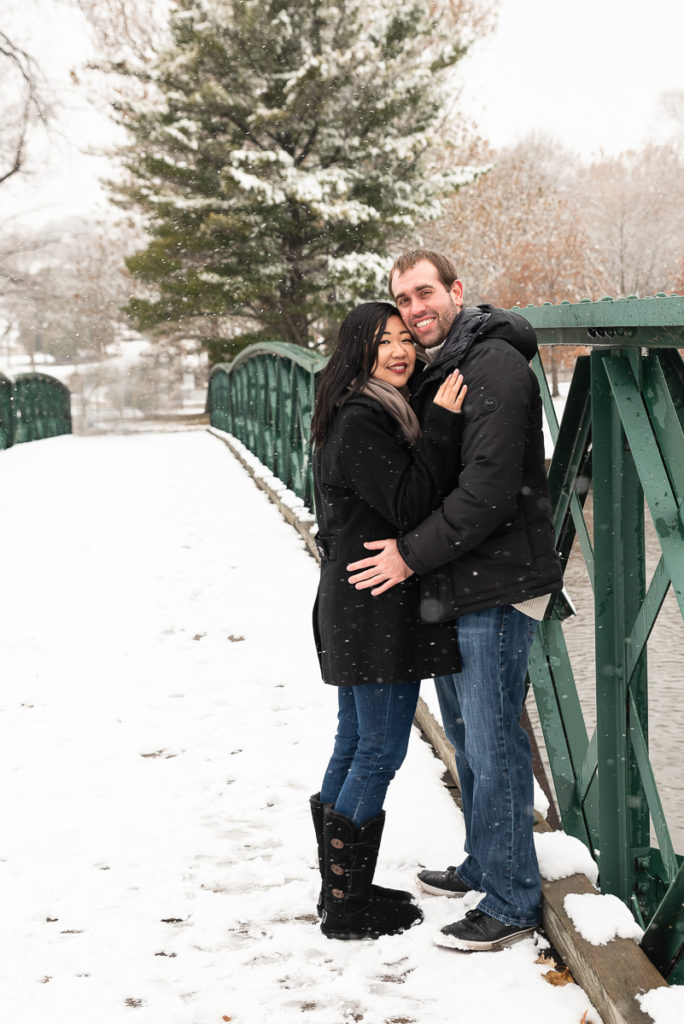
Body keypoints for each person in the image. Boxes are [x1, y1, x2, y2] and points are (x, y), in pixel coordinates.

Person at [347, 251, 563, 952]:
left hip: (495, 585)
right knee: (472, 736)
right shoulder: (444, 367)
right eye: (402, 301)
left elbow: (489, 494)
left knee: (494, 741)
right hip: (454, 585)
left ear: (456, 292)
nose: (414, 310)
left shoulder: (493, 366)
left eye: (424, 293)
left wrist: (409, 554)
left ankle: (511, 900)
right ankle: (485, 861)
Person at [309, 300, 467, 941]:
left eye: (405, 339)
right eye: (383, 343)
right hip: (374, 611)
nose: (400, 351)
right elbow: (409, 502)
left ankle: (339, 890)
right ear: (358, 353)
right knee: (378, 749)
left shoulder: (362, 412)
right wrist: (442, 423)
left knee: (355, 743)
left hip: (356, 606)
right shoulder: (364, 421)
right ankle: (347, 907)